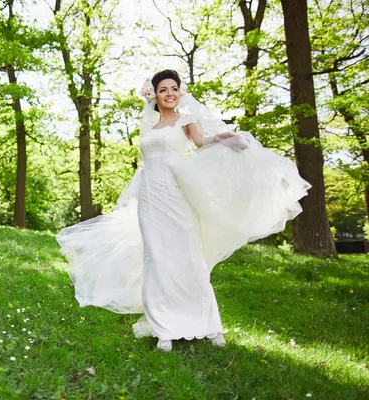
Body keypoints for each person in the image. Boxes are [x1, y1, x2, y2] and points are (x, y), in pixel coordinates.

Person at [57, 69, 310, 352]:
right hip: (150, 198)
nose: (170, 94)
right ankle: (164, 327)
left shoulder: (186, 120)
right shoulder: (150, 128)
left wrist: (224, 138)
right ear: (154, 94)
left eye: (174, 88)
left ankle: (209, 325)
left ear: (180, 92)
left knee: (188, 258)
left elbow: (202, 143)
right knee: (156, 257)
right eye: (163, 89)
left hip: (177, 196)